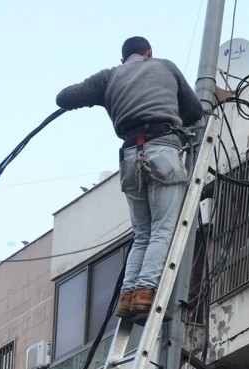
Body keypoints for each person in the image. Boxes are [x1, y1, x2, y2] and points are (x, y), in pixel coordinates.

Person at [56, 36, 204, 320]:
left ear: (124, 59)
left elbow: (64, 98)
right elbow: (195, 112)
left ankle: (128, 297)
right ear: (149, 53)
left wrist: (96, 98)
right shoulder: (166, 67)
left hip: (129, 158)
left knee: (142, 234)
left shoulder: (109, 77)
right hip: (163, 150)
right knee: (162, 228)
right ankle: (146, 292)